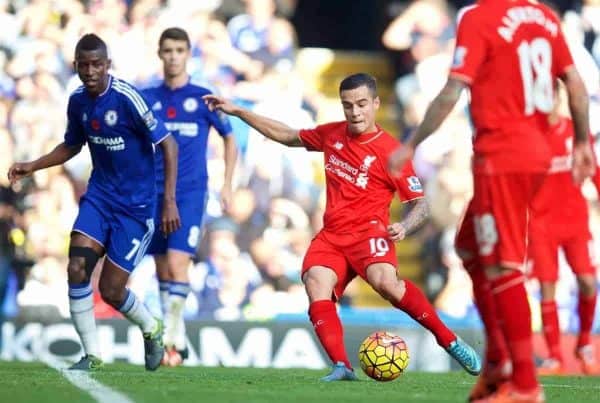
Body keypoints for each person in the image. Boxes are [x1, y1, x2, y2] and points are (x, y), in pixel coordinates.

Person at [203, 72, 482, 381]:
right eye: (348, 105)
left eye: (362, 104)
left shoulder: (391, 152)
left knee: (385, 282)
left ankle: (448, 339)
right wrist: (240, 111)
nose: (355, 112)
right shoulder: (332, 134)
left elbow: (421, 203)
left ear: (376, 103)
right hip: (332, 236)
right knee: (315, 282)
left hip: (370, 234)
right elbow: (288, 135)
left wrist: (404, 226)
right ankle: (342, 366)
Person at [388, 1, 595, 402]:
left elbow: (453, 90)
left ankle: (525, 384)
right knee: (469, 248)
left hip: (503, 155)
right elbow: (575, 84)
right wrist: (583, 142)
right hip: (535, 152)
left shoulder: (478, 17)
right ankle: (499, 362)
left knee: (502, 265)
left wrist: (411, 143)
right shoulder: (545, 17)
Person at [7, 33, 181, 371]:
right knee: (76, 269)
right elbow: (72, 144)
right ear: (75, 66)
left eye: (96, 64)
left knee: (112, 290)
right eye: (83, 65)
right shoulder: (77, 102)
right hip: (99, 198)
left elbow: (168, 144)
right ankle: (92, 355)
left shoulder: (128, 97)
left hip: (136, 209)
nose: (90, 71)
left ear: (107, 65)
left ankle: (151, 327)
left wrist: (169, 200)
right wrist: (33, 165)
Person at [143, 27, 237, 366]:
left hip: (190, 193)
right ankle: (178, 340)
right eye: (167, 50)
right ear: (160, 53)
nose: (173, 56)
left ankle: (169, 337)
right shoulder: (147, 97)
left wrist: (227, 183)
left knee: (180, 262)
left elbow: (229, 137)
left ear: (188, 54)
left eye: (180, 50)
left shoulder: (203, 98)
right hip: (153, 193)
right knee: (163, 267)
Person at [529, 87, 600, 376]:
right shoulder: (528, 138)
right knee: (548, 286)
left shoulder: (574, 132)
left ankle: (583, 344)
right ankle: (555, 356)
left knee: (587, 282)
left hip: (574, 221)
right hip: (540, 224)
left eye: (552, 97)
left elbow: (593, 169)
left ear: (559, 99)